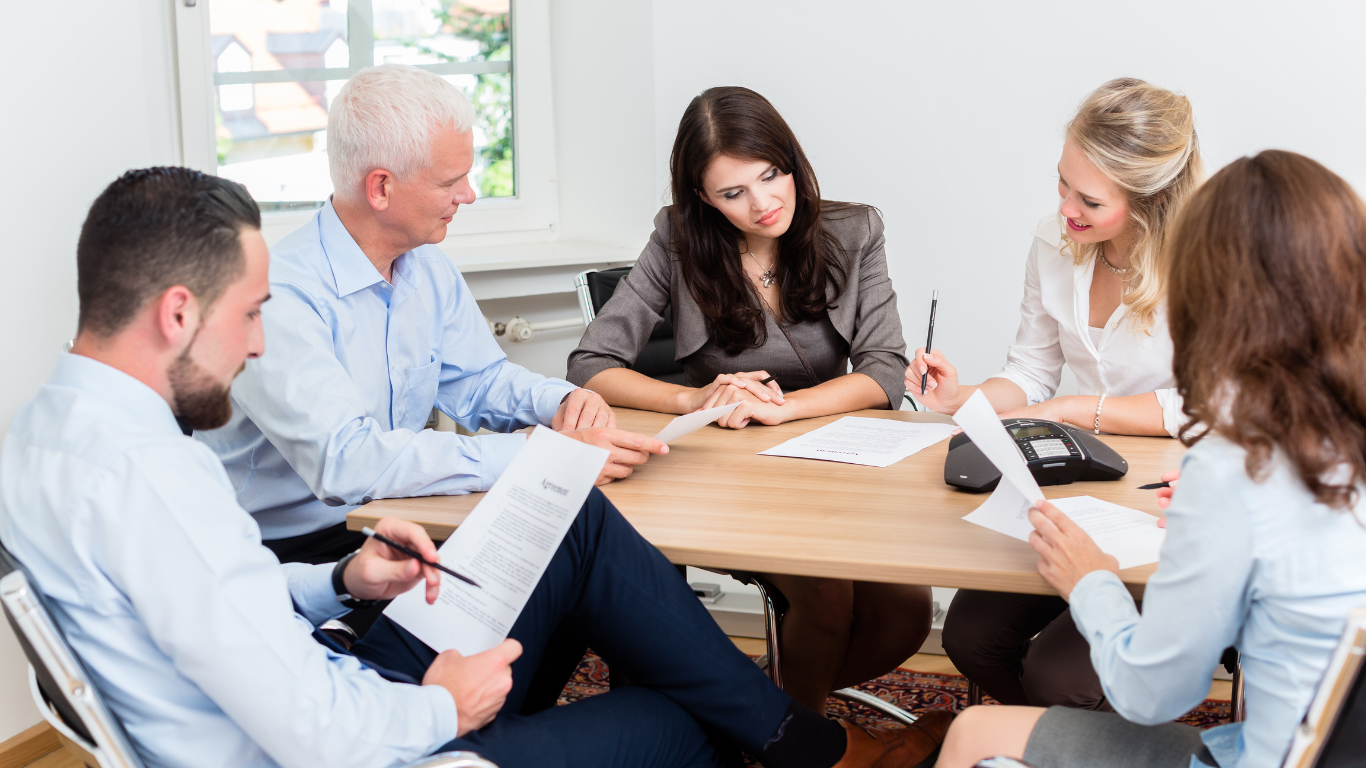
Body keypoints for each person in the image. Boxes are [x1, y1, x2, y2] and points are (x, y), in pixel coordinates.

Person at [0, 166, 955, 768]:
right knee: (685, 724)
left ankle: (793, 738)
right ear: (176, 311)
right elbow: (312, 737)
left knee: (569, 520)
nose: (258, 346)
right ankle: (805, 748)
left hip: (337, 676)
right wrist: (438, 705)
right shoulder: (149, 479)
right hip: (359, 736)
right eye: (250, 316)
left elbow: (211, 605)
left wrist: (339, 579)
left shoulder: (54, 438)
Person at [935, 149, 1366, 768]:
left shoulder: (1235, 473)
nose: (1067, 211)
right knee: (980, 635)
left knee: (974, 733)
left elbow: (1151, 693)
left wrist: (1092, 578)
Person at [195, 64, 661, 574]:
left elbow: (480, 381)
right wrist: (530, 454)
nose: (469, 194)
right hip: (292, 554)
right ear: (380, 188)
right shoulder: (281, 296)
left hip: (397, 516)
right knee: (559, 560)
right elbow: (347, 463)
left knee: (575, 547)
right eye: (450, 180)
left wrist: (564, 402)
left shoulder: (426, 267)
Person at [566, 86, 931, 713]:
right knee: (825, 600)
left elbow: (883, 372)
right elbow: (590, 365)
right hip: (729, 472)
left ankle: (745, 712)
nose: (763, 204)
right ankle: (797, 737)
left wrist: (786, 408)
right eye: (733, 193)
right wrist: (693, 400)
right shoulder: (679, 239)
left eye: (771, 176)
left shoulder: (855, 229)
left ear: (792, 162)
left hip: (836, 461)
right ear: (703, 197)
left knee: (905, 617)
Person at [909, 78, 1204, 711]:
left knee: (1057, 674)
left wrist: (1074, 410)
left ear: (1149, 198)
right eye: (1063, 182)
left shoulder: (1206, 262)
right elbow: (1032, 373)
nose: (1067, 207)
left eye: (1090, 199)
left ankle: (1089, 740)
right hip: (1084, 488)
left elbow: (1205, 407)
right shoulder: (1054, 243)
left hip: (1171, 503)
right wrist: (962, 397)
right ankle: (1062, 743)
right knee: (970, 638)